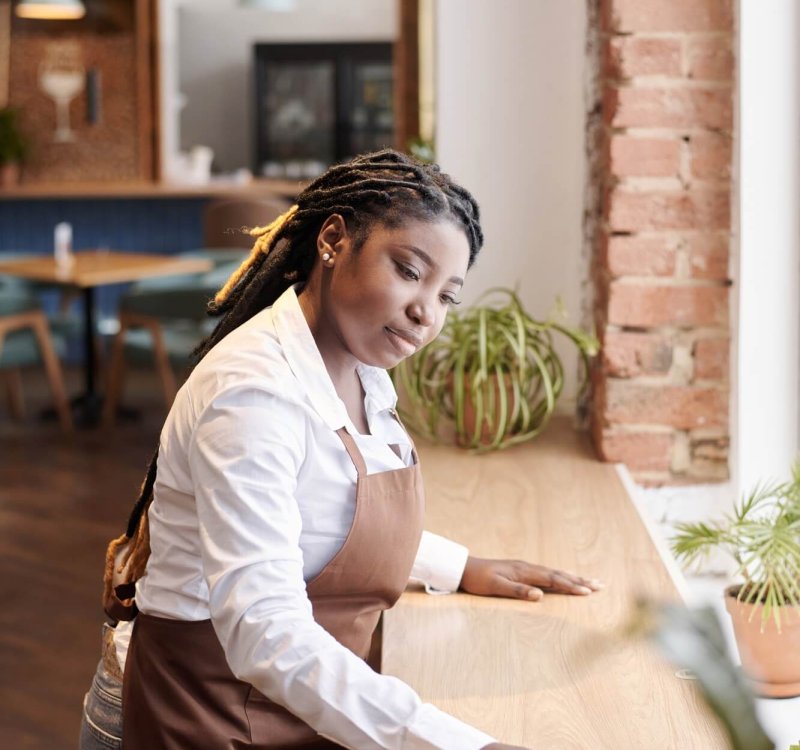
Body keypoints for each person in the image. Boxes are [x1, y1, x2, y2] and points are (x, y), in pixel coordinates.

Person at [80, 149, 602, 750]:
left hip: (276, 706)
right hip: (203, 709)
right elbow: (265, 632)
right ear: (333, 240)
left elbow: (312, 517)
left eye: (447, 296)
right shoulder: (253, 396)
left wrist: (457, 567)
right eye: (408, 270)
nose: (425, 312)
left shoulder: (355, 365)